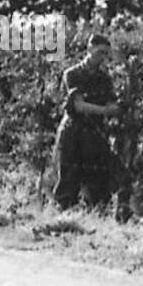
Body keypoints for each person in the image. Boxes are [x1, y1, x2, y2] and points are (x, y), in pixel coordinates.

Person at [53, 33, 125, 214]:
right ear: (89, 49)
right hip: (73, 130)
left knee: (97, 177)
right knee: (69, 174)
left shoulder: (104, 78)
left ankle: (95, 215)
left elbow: (112, 102)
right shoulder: (72, 74)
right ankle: (62, 216)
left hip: (95, 132)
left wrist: (114, 108)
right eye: (100, 52)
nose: (102, 57)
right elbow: (78, 105)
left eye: (106, 54)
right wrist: (105, 111)